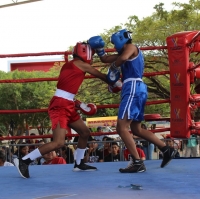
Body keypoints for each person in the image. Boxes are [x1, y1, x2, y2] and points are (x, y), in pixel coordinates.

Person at [14, 42, 118, 178]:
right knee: (59, 142)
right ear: (85, 53)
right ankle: (24, 160)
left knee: (85, 132)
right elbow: (104, 77)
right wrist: (117, 79)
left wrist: (76, 102)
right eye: (91, 53)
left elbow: (66, 89)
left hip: (68, 103)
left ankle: (78, 163)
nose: (91, 56)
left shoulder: (69, 64)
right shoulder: (81, 64)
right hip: (60, 106)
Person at [88, 29, 177, 173]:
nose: (114, 45)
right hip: (135, 89)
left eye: (114, 42)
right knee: (136, 129)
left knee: (121, 127)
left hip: (133, 87)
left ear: (120, 40)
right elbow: (106, 59)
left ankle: (137, 162)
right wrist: (99, 49)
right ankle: (166, 149)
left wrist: (114, 68)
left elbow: (121, 60)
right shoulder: (123, 53)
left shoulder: (131, 47)